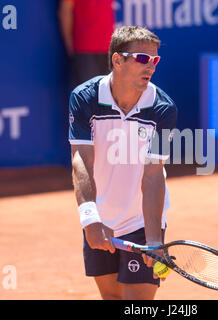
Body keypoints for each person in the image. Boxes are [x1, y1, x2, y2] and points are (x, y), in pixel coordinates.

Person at [69, 25, 178, 300]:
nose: (150, 66)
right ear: (117, 60)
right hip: (101, 215)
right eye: (142, 58)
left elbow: (153, 175)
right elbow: (82, 158)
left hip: (142, 218)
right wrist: (90, 217)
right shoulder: (85, 98)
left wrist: (154, 239)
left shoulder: (163, 108)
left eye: (155, 60)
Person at [58, 0, 114, 88]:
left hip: (108, 47)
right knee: (86, 95)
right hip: (85, 48)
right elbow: (65, 11)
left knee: (106, 96)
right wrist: (69, 43)